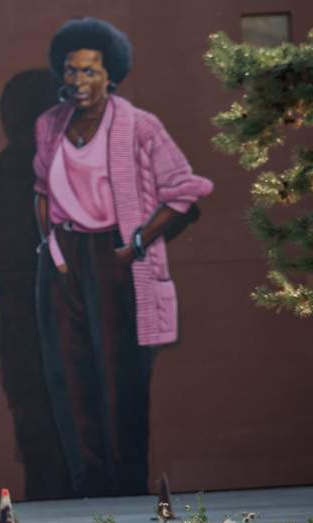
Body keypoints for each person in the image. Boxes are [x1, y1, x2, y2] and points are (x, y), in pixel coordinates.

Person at [33, 18, 213, 497]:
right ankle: (87, 484)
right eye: (71, 71)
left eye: (89, 72)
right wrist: (53, 250)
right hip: (62, 256)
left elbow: (185, 192)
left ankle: (126, 483)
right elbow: (40, 191)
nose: (78, 82)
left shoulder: (138, 124)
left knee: (119, 375)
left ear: (110, 74)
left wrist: (135, 245)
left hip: (116, 253)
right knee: (68, 374)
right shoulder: (49, 125)